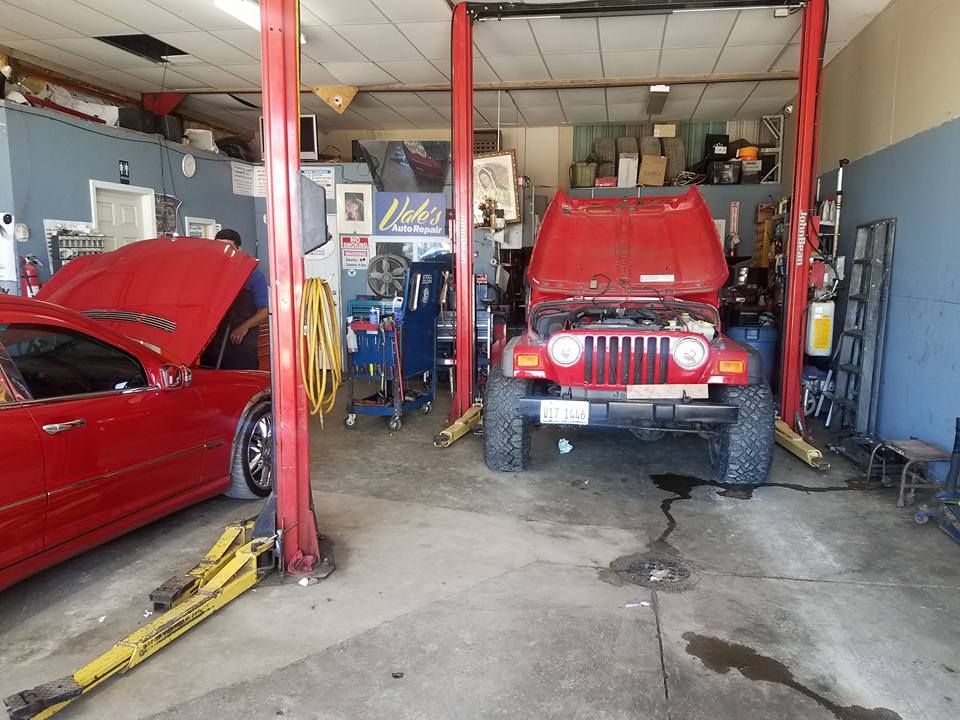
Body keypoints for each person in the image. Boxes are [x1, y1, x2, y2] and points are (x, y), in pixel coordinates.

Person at [202, 229, 269, 370]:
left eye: (229, 247)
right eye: (220, 248)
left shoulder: (254, 276)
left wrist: (245, 327)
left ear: (239, 249)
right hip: (212, 346)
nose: (224, 252)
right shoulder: (210, 275)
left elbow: (265, 311)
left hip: (242, 348)